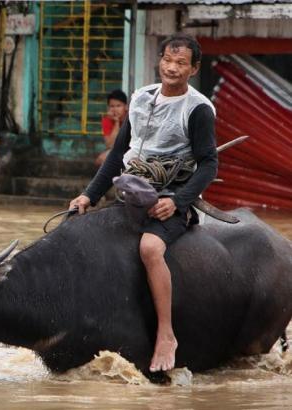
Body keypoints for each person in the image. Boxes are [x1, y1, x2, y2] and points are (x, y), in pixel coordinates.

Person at [69, 33, 218, 372]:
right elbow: (119, 154)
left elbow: (209, 163)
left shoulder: (198, 109)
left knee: (150, 248)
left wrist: (178, 202)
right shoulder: (140, 99)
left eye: (181, 63)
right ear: (159, 61)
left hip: (170, 197)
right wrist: (88, 195)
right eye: (168, 60)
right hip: (132, 191)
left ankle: (166, 334)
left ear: (193, 68)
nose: (172, 68)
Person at [96, 89, 128, 167]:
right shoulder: (107, 120)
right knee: (101, 159)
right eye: (112, 106)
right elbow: (110, 145)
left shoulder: (131, 117)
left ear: (126, 107)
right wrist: (116, 123)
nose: (115, 109)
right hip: (117, 150)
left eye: (118, 106)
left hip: (132, 149)